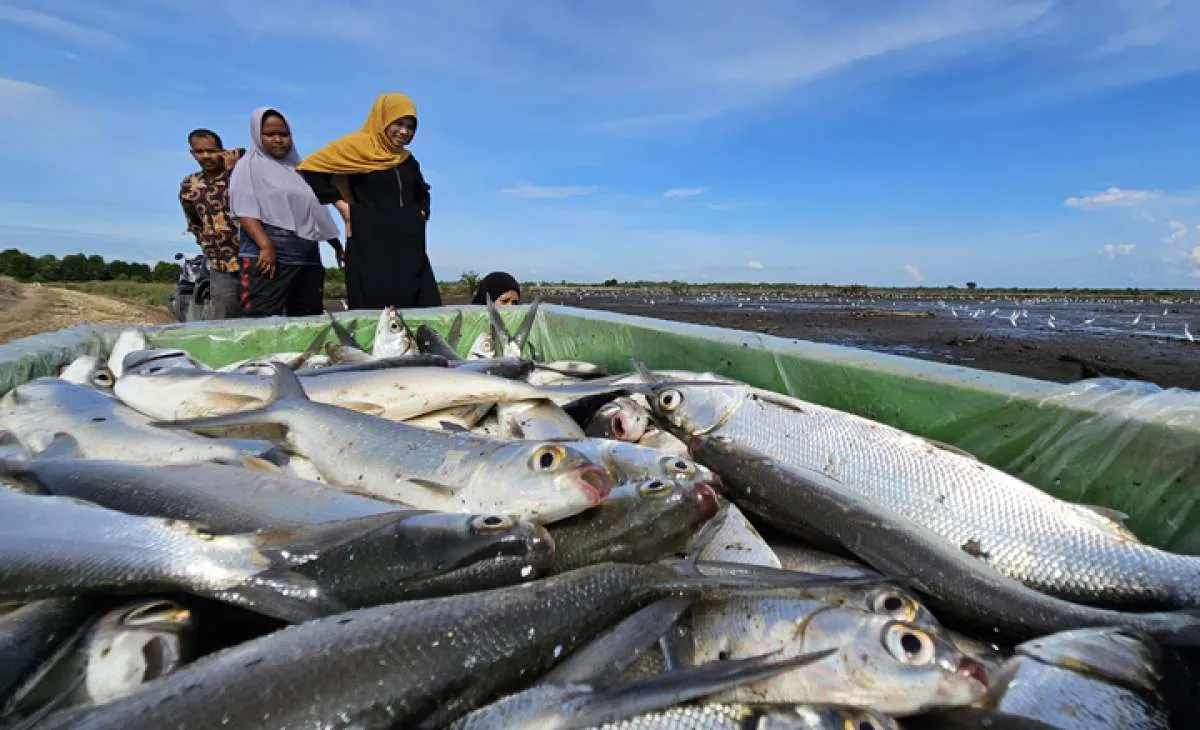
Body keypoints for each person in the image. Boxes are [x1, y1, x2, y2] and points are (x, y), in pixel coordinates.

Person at [298, 92, 441, 310]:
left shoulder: (407, 160)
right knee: (378, 312)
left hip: (411, 245)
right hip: (370, 240)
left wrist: (420, 214)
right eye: (399, 123)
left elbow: (422, 191)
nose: (404, 132)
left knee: (425, 308)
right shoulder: (358, 148)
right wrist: (343, 208)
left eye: (411, 127)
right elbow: (310, 169)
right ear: (383, 119)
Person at [229, 107, 344, 318]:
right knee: (262, 318)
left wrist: (336, 245)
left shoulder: (298, 169)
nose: (278, 140)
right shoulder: (248, 167)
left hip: (306, 259)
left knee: (307, 319)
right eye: (270, 134)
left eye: (283, 134)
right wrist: (265, 245)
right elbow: (244, 210)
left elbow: (315, 209)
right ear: (257, 135)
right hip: (270, 259)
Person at [178, 129, 245, 318]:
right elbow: (194, 221)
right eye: (199, 152)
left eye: (211, 150)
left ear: (222, 151)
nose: (206, 156)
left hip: (252, 259)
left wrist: (234, 172)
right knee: (226, 316)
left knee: (261, 315)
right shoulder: (189, 186)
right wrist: (206, 243)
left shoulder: (240, 176)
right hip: (220, 264)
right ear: (192, 153)